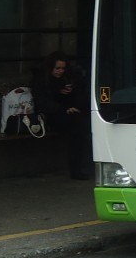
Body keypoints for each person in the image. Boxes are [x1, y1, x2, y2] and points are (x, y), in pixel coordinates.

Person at [32, 51, 91, 180]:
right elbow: (44, 103)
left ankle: (79, 166)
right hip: (52, 116)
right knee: (79, 126)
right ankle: (77, 168)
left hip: (68, 113)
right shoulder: (42, 81)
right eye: (57, 68)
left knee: (81, 125)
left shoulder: (68, 79)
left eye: (62, 69)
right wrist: (62, 103)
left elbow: (80, 96)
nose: (60, 71)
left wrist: (72, 97)